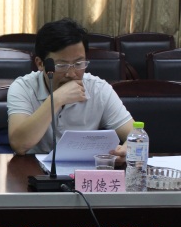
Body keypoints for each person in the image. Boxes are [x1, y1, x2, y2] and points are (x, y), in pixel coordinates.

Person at [7, 18, 133, 160]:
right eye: (61, 65)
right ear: (40, 64)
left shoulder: (99, 89)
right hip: (32, 169)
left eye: (79, 64)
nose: (72, 74)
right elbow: (19, 144)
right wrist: (56, 99)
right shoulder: (23, 88)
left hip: (83, 169)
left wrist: (125, 150)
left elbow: (137, 136)